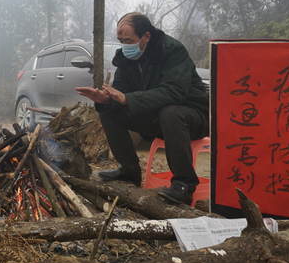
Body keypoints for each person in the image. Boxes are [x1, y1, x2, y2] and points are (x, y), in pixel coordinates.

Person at [76, 13, 209, 205]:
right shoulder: (125, 58)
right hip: (155, 116)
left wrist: (126, 98)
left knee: (170, 112)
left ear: (146, 36)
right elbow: (120, 92)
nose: (124, 45)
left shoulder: (172, 50)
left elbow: (174, 93)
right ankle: (129, 170)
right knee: (108, 110)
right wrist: (107, 99)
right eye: (121, 40)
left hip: (192, 117)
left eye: (128, 40)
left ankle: (184, 184)